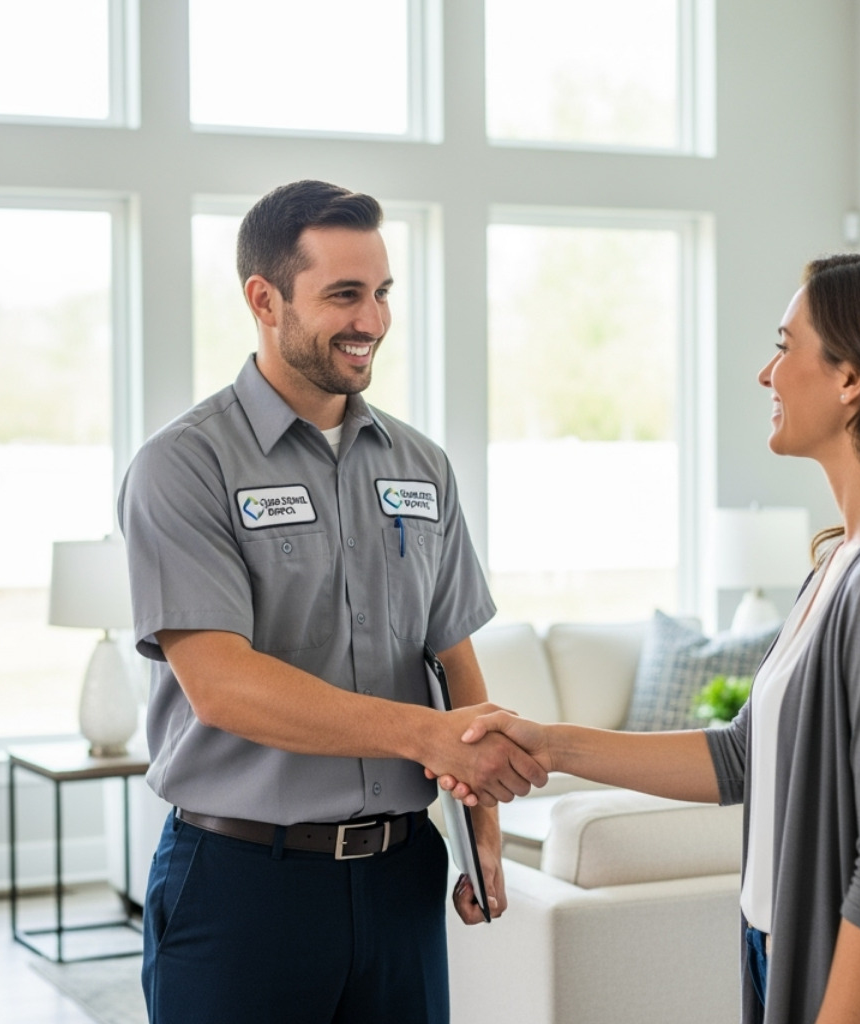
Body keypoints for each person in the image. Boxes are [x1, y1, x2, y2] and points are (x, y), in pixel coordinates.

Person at [437, 251, 860, 1024]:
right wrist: (551, 745)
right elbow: (743, 757)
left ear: (853, 380)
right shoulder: (844, 561)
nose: (767, 373)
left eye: (786, 347)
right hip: (780, 954)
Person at [117, 179, 544, 1024]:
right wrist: (423, 735)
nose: (372, 320)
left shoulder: (422, 466)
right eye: (344, 294)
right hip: (243, 887)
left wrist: (480, 831)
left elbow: (452, 657)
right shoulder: (185, 466)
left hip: (400, 880)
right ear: (264, 299)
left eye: (382, 292)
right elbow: (223, 686)